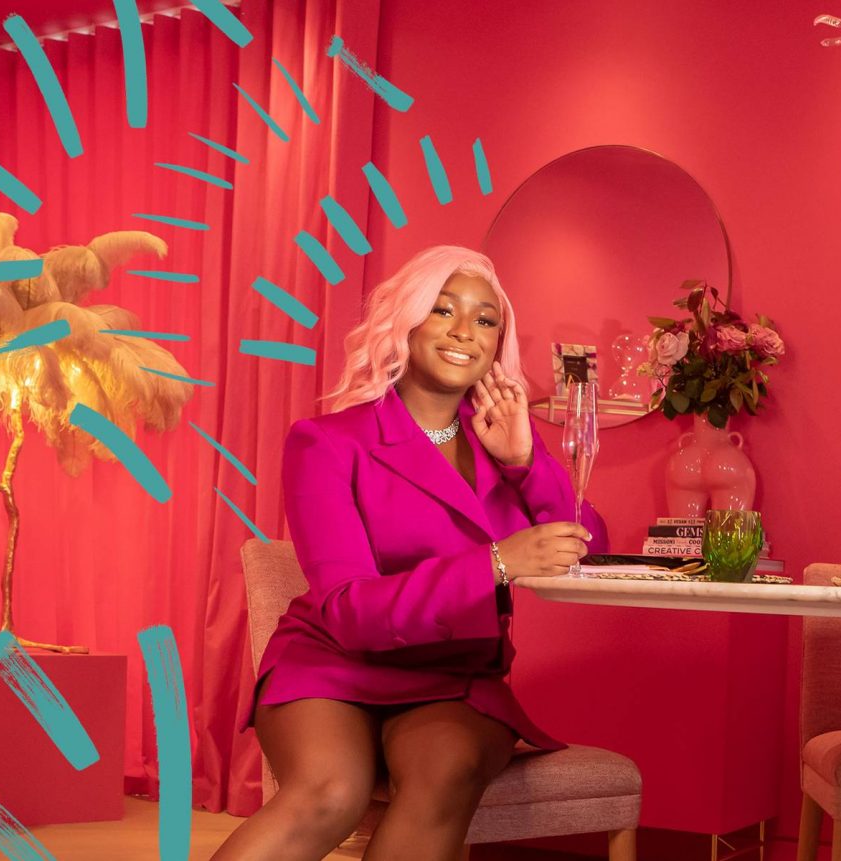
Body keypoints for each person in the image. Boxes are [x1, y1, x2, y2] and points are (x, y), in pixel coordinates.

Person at [214, 246, 608, 861]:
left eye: (485, 319)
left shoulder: (505, 443)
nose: (464, 331)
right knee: (330, 793)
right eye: (443, 310)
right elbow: (348, 611)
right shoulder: (324, 443)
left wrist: (525, 462)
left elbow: (589, 552)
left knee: (445, 773)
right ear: (406, 321)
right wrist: (495, 563)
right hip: (333, 664)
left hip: (455, 677)